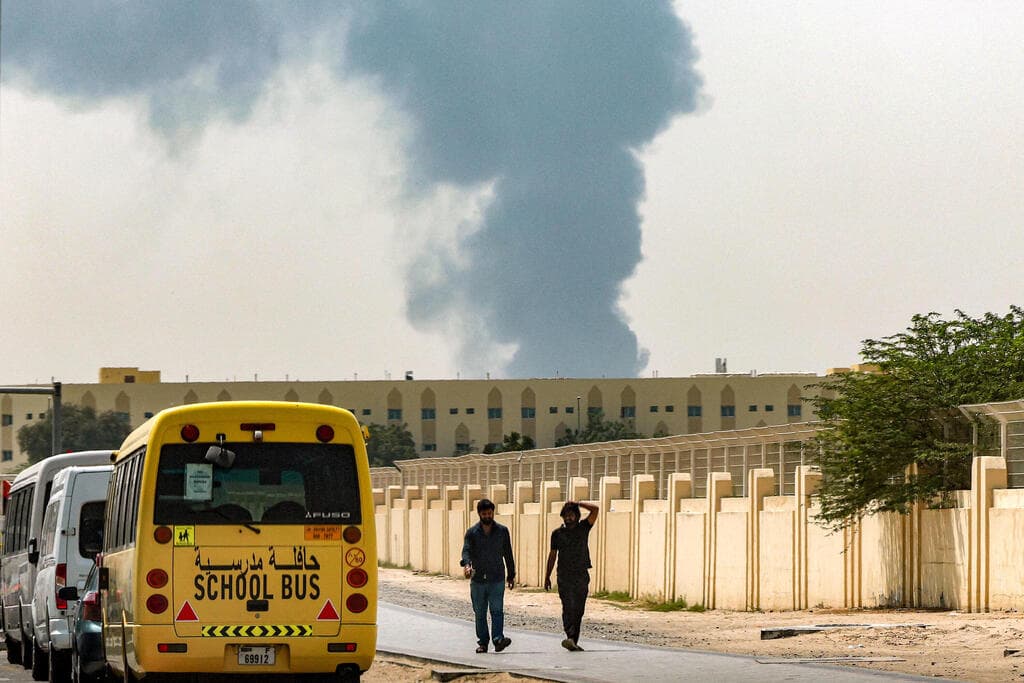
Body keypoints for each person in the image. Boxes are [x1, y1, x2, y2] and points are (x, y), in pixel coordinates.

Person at [460, 498, 516, 653]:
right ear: (479, 514)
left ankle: (498, 639)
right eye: (484, 514)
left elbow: (508, 553)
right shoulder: (472, 533)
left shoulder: (502, 531)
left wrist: (511, 575)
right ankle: (483, 643)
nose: (487, 516)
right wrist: (467, 565)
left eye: (489, 513)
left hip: (497, 577)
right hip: (478, 579)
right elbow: (466, 551)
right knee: (480, 612)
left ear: (493, 513)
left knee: (497, 610)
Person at [544, 499, 599, 652]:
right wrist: (547, 576)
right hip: (564, 575)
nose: (568, 518)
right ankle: (570, 636)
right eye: (566, 516)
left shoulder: (583, 528)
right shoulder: (557, 534)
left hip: (581, 574)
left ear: (577, 515)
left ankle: (573, 640)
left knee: (579, 609)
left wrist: (578, 503)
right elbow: (552, 555)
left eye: (571, 515)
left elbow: (595, 510)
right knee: (568, 606)